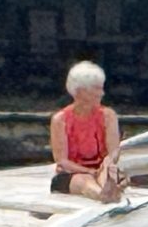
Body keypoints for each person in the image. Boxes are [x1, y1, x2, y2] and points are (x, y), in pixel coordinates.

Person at [49, 60, 129, 202]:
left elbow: (113, 152)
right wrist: (89, 171)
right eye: (97, 89)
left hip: (101, 169)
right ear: (81, 91)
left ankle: (109, 189)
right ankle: (101, 195)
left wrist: (106, 166)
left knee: (109, 172)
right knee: (83, 180)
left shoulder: (108, 116)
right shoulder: (60, 120)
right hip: (73, 173)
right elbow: (62, 161)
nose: (102, 93)